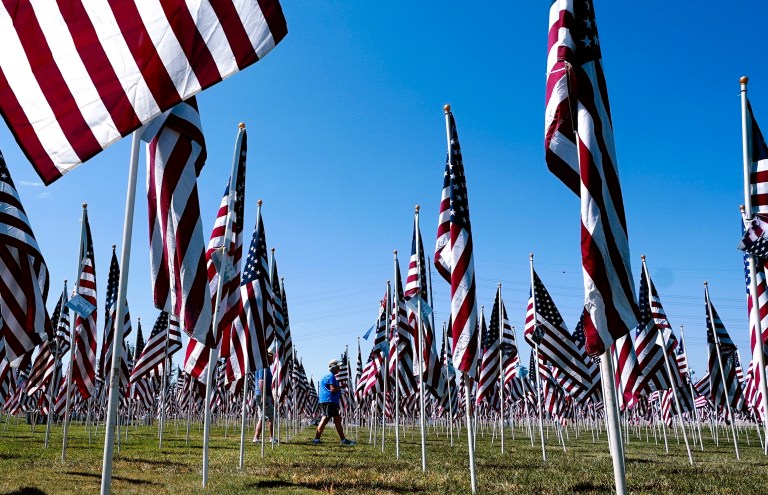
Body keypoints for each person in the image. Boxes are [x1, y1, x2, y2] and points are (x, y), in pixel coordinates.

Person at [313, 359, 355, 446]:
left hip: (328, 401)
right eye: (338, 367)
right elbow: (333, 390)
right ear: (333, 367)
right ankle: (343, 440)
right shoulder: (331, 376)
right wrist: (341, 387)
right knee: (330, 419)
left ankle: (317, 439)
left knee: (333, 419)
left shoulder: (328, 376)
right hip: (329, 401)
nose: (339, 369)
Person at [253, 351, 275, 443]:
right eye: (272, 357)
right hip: (262, 394)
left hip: (263, 394)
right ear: (268, 357)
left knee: (262, 417)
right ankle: (271, 438)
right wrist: (263, 396)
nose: (273, 359)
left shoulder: (266, 367)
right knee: (271, 416)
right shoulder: (263, 366)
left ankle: (256, 438)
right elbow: (261, 382)